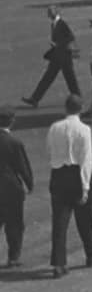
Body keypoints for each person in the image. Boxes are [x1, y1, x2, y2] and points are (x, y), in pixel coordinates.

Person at [47, 95, 92, 278]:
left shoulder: (55, 128)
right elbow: (86, 160)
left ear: (65, 108)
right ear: (80, 108)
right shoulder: (84, 130)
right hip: (76, 175)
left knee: (59, 222)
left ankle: (59, 264)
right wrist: (85, 186)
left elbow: (50, 149)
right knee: (85, 217)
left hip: (58, 175)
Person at [23, 5, 81, 108]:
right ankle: (35, 99)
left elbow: (71, 37)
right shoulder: (54, 24)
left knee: (70, 80)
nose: (49, 13)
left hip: (64, 57)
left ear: (56, 12)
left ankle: (78, 99)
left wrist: (58, 44)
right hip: (57, 57)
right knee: (47, 78)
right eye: (48, 12)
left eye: (51, 11)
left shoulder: (61, 23)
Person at [0, 107, 34, 268]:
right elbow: (23, 166)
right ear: (11, 121)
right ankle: (13, 257)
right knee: (14, 224)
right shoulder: (14, 142)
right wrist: (29, 184)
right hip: (10, 188)